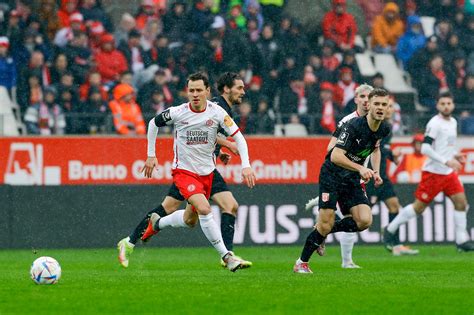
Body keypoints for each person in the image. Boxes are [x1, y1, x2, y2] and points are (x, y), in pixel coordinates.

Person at [118, 72, 254, 269]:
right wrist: (150, 154)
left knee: (189, 219)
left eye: (199, 90)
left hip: (207, 172)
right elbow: (153, 123)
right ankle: (227, 257)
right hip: (185, 172)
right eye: (191, 90)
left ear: (207, 91)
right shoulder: (178, 112)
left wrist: (241, 162)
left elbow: (235, 137)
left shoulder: (217, 112)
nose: (195, 94)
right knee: (208, 208)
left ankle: (155, 225)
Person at [294, 88, 391, 274]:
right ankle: (301, 262)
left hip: (352, 178)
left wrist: (375, 172)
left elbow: (375, 148)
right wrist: (361, 168)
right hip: (332, 175)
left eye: (384, 104)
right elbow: (335, 156)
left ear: (388, 108)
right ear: (368, 105)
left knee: (364, 221)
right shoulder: (353, 125)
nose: (380, 108)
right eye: (376, 103)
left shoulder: (384, 128)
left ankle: (323, 230)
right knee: (326, 222)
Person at [384, 93, 474, 252]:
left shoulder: (453, 122)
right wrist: (447, 161)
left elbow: (446, 146)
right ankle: (390, 229)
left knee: (461, 203)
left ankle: (461, 241)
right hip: (433, 173)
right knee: (418, 208)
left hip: (448, 173)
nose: (446, 106)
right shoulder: (434, 123)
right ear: (437, 106)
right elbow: (425, 148)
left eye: (448, 103)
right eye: (443, 103)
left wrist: (454, 155)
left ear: (453, 105)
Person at [306, 84, 373, 268]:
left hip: (358, 177)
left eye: (370, 97)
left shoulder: (375, 122)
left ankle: (342, 255)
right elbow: (330, 149)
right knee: (353, 216)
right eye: (363, 96)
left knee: (358, 219)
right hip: (342, 175)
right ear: (356, 99)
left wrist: (376, 171)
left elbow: (375, 149)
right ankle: (324, 236)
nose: (367, 100)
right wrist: (352, 156)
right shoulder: (347, 122)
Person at [365, 100, 419, 256]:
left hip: (383, 177)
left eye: (389, 107)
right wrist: (390, 154)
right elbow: (374, 148)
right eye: (386, 106)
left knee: (394, 206)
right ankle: (326, 228)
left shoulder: (387, 128)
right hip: (372, 177)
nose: (389, 109)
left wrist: (391, 155)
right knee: (362, 217)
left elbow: (381, 149)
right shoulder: (375, 125)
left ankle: (395, 244)